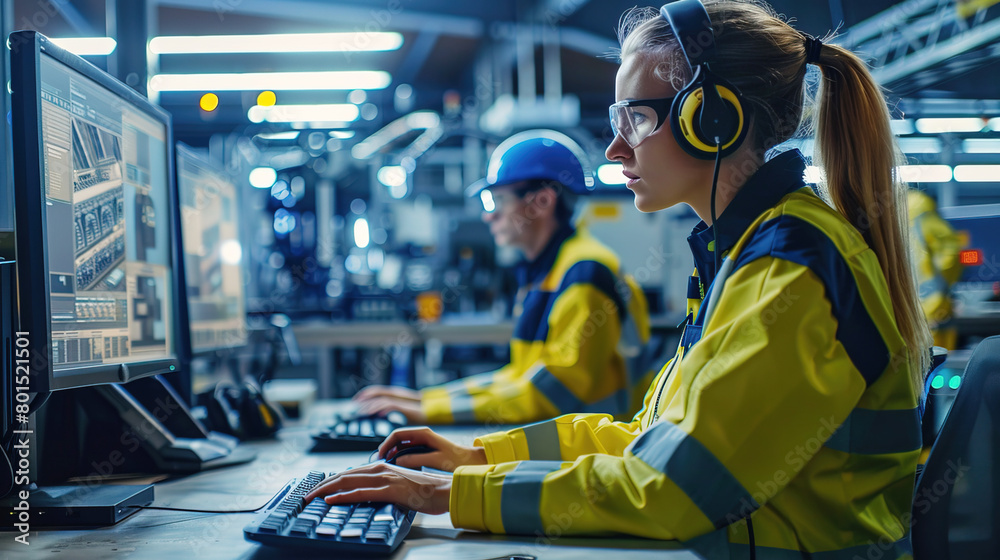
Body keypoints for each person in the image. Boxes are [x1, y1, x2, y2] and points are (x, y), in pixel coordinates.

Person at [307, 1, 931, 557]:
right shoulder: (747, 252)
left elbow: (672, 488)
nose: (614, 148)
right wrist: (476, 459)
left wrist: (453, 494)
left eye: (634, 118)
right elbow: (645, 439)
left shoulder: (789, 268)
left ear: (712, 120)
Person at [353, 130, 653, 425]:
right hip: (578, 446)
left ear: (543, 202)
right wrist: (420, 400)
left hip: (602, 452)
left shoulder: (585, 273)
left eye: (496, 201)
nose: (488, 216)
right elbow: (519, 376)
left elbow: (548, 396)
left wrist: (427, 413)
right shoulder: (550, 272)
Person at [908, 189, 963, 349]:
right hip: (931, 303)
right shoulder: (919, 206)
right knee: (937, 361)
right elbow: (951, 249)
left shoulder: (907, 209)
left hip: (914, 303)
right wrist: (943, 283)